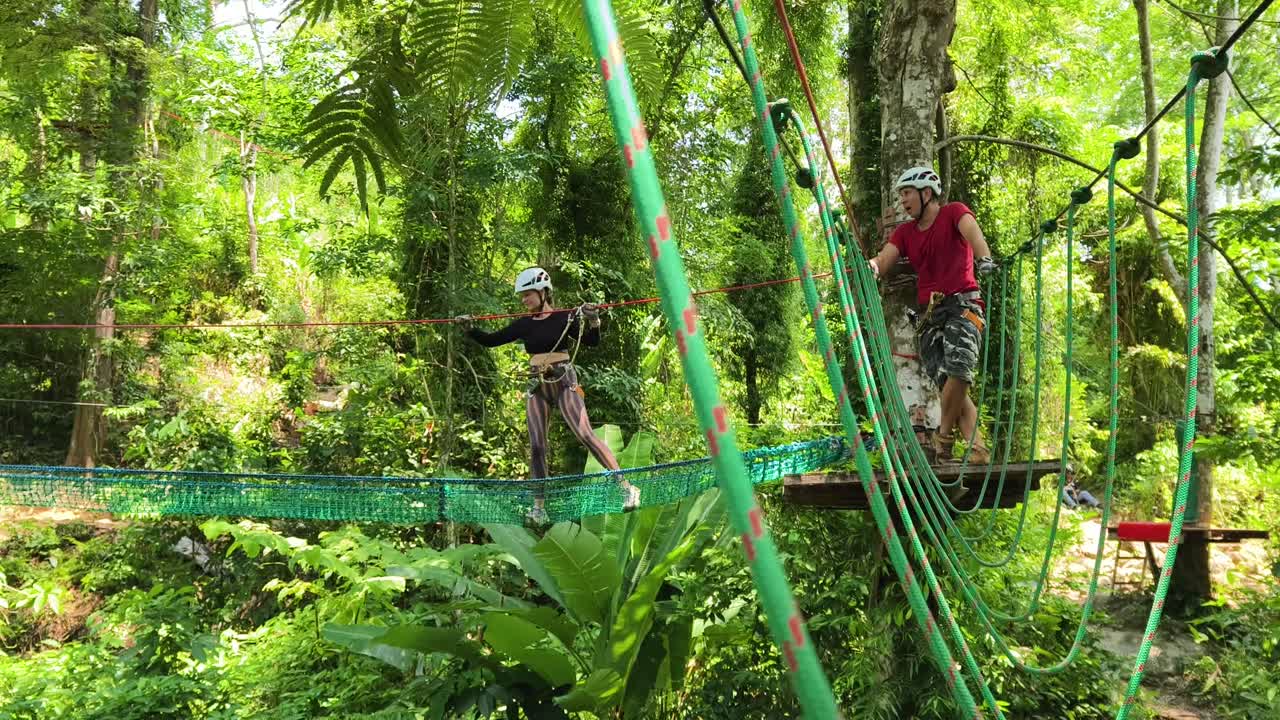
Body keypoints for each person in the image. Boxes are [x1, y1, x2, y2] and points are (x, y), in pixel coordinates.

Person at [457, 267, 641, 523]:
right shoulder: (524, 324)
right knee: (537, 446)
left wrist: (594, 320)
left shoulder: (565, 318)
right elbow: (492, 340)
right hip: (538, 384)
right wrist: (470, 329)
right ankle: (539, 507)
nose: (523, 300)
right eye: (522, 296)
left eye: (527, 294)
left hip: (563, 380)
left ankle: (627, 488)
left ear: (543, 292)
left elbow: (591, 342)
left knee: (586, 435)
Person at [868, 166, 995, 464]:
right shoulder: (905, 233)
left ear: (927, 193)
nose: (903, 200)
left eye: (907, 193)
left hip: (964, 305)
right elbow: (885, 258)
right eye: (901, 194)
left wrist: (984, 257)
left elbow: (972, 232)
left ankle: (944, 438)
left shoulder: (953, 213)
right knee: (949, 385)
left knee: (960, 370)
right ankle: (977, 448)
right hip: (929, 317)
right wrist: (871, 266)